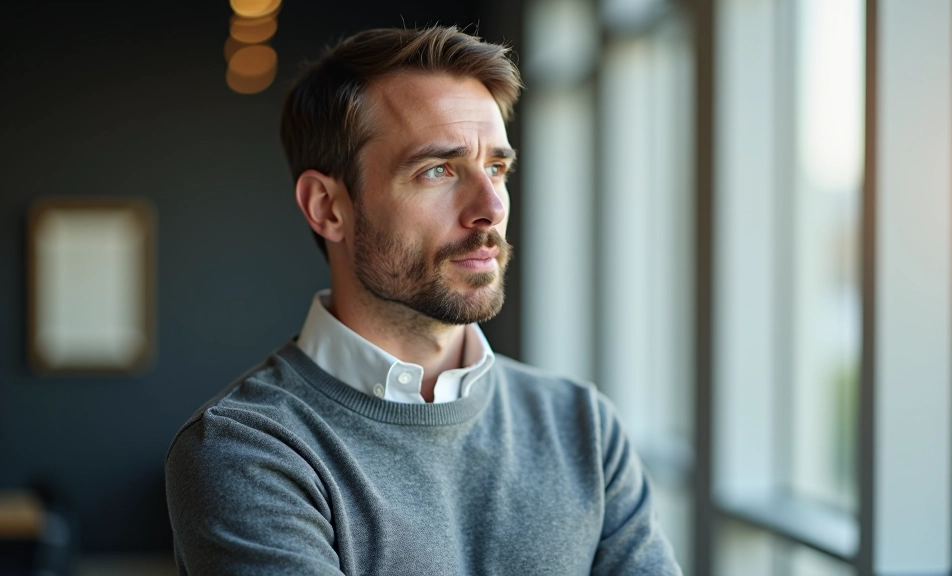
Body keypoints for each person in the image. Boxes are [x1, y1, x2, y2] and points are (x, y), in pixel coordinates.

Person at [164, 25, 682, 576]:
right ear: (327, 207)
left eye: (497, 169)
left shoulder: (582, 427)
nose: (490, 208)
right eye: (437, 170)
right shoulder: (247, 449)